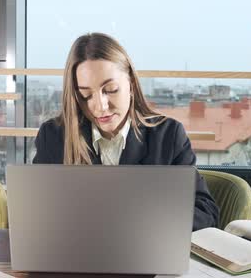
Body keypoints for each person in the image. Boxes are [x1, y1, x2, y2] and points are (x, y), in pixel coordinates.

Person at [32, 32, 219, 230]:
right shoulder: (53, 136)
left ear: (130, 83)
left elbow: (205, 213)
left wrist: (144, 218)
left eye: (111, 89)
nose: (100, 106)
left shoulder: (168, 136)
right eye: (86, 95)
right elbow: (35, 212)